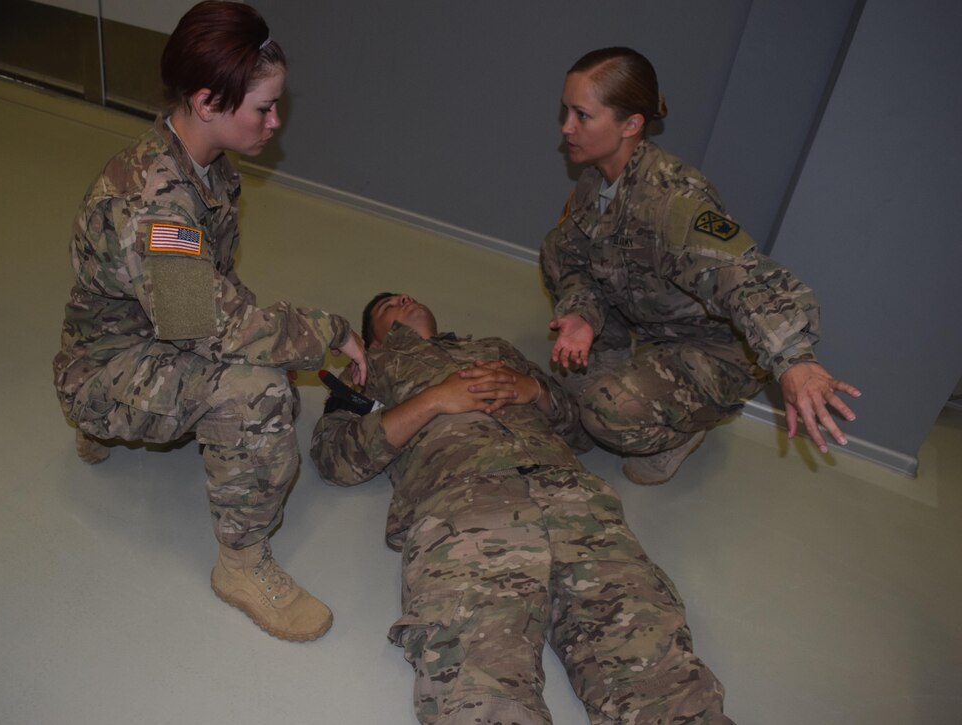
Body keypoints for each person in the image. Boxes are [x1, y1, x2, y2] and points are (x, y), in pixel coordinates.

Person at [52, 1, 366, 642]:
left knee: (261, 356)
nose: (276, 122)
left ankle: (122, 428)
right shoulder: (157, 204)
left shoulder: (208, 167)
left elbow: (216, 290)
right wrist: (325, 333)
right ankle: (241, 564)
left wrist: (276, 335)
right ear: (205, 102)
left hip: (158, 334)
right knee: (261, 393)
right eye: (263, 108)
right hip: (105, 367)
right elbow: (208, 324)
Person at [312, 292, 731, 724]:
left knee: (659, 678)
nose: (402, 299)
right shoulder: (367, 369)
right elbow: (336, 458)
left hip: (577, 501)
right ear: (373, 340)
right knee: (480, 686)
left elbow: (581, 429)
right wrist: (435, 399)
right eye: (386, 308)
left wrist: (534, 389)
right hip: (467, 510)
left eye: (404, 296)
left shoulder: (495, 350)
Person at [541, 47, 860, 485]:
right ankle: (611, 354)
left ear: (631, 124)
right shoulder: (596, 178)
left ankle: (682, 432)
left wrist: (793, 361)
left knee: (604, 413)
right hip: (655, 320)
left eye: (582, 115)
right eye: (566, 111)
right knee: (556, 249)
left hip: (714, 345)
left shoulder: (673, 201)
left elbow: (744, 278)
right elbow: (576, 256)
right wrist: (582, 313)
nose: (567, 127)